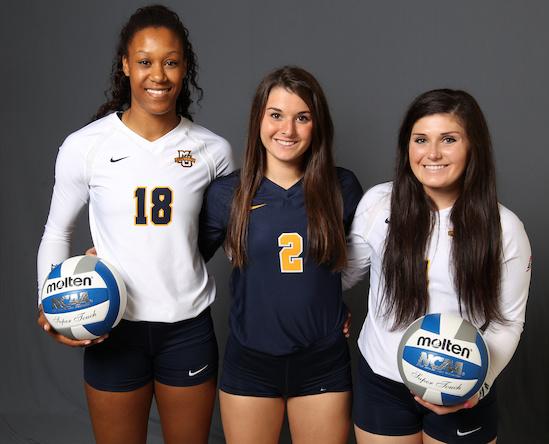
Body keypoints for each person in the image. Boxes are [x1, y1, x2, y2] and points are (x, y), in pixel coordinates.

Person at [36, 5, 233, 444]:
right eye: (145, 61)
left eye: (170, 61)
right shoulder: (85, 146)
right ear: (126, 65)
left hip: (187, 327)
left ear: (185, 67)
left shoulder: (213, 151)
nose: (157, 75)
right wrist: (51, 305)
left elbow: (226, 237)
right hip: (112, 327)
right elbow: (57, 232)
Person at [344, 89, 531, 444]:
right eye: (421, 140)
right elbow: (343, 276)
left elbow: (509, 321)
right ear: (407, 147)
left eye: (448, 139)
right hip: (383, 381)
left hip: (460, 383)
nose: (432, 153)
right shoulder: (378, 204)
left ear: (472, 146)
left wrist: (476, 387)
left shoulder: (505, 228)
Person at [199, 66, 363, 443]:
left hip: (321, 361)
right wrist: (113, 254)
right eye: (276, 115)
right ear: (259, 118)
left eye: (302, 118)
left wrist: (334, 302)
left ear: (317, 125)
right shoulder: (228, 194)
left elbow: (370, 257)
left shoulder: (342, 187)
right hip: (250, 360)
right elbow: (182, 259)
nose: (287, 130)